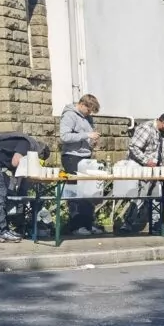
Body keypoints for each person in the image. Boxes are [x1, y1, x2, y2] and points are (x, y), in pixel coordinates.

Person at [120, 111, 164, 234]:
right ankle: (127, 224)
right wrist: (146, 161)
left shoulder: (162, 133)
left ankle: (157, 225)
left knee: (158, 196)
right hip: (142, 168)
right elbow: (134, 147)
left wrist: (162, 166)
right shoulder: (146, 128)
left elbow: (160, 152)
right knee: (141, 196)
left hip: (156, 169)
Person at [59, 94, 102, 235]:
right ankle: (76, 226)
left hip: (85, 156)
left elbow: (88, 137)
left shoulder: (88, 118)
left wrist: (92, 141)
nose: (90, 114)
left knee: (89, 191)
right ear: (82, 104)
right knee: (76, 192)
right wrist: (86, 136)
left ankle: (88, 223)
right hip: (72, 157)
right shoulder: (69, 115)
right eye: (89, 111)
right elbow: (64, 136)